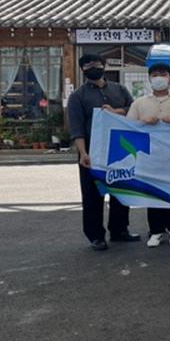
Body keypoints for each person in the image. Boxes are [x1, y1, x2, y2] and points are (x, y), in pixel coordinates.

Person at [67, 53, 138, 251]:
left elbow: (134, 110)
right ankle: (95, 235)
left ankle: (119, 229)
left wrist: (117, 111)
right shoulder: (78, 96)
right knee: (92, 195)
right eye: (88, 65)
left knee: (121, 189)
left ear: (104, 66)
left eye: (97, 63)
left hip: (118, 147)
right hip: (92, 149)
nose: (93, 67)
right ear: (82, 69)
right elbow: (77, 128)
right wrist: (83, 153)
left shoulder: (119, 89)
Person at [126, 63, 170, 248]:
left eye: (163, 74)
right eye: (155, 74)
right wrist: (142, 121)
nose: (159, 78)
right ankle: (155, 231)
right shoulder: (139, 103)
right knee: (153, 194)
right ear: (149, 78)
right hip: (149, 156)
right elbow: (127, 126)